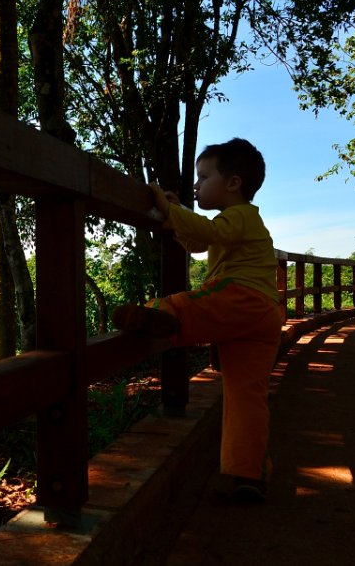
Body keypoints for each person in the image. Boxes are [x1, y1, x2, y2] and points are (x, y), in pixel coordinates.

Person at [112, 137, 282, 503]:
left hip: (242, 300)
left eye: (203, 177)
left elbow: (206, 233)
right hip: (262, 316)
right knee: (245, 396)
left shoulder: (241, 216)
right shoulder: (239, 222)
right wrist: (178, 215)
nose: (196, 184)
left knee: (185, 303)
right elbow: (198, 243)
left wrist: (168, 210)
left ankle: (162, 316)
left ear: (233, 183)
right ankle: (248, 474)